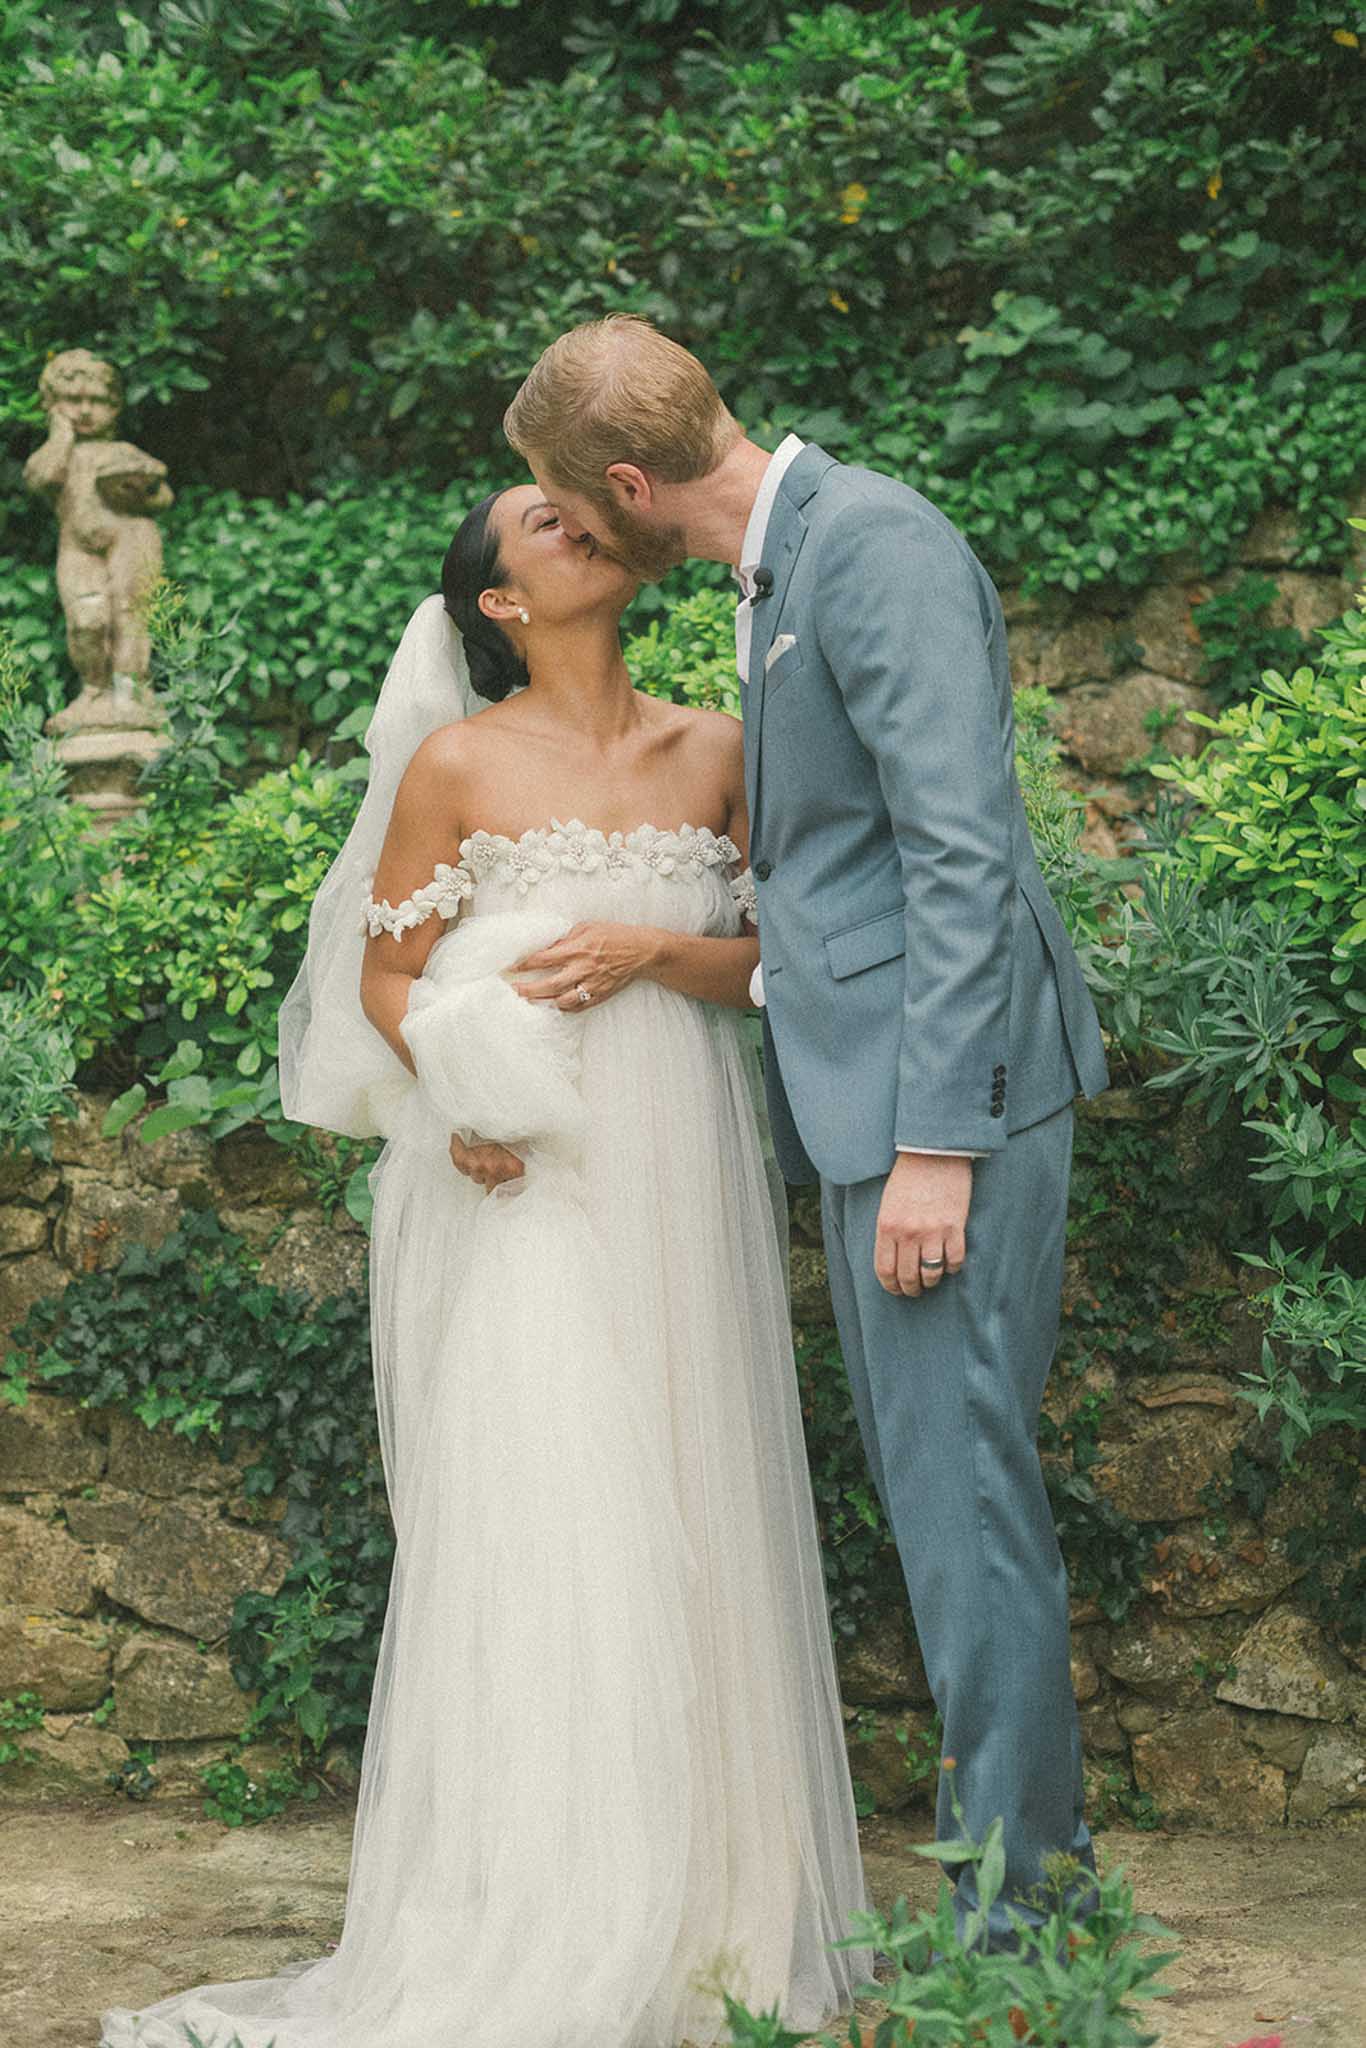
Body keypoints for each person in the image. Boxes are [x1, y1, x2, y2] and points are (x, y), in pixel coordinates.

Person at [98, 482, 873, 2048]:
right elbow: (382, 978)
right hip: (523, 1191)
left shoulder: (722, 748)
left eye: (580, 505)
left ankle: (709, 1915)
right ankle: (542, 1915)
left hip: (684, 1180)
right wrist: (457, 1088)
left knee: (697, 1500)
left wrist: (660, 950)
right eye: (536, 519)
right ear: (500, 605)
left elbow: (787, 960)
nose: (573, 519)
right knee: (552, 1529)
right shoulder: (453, 766)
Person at [503, 314, 1113, 1958]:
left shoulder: (874, 549)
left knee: (963, 1500)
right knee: (945, 1500)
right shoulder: (784, 567)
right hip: (876, 1107)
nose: (580, 532)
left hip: (941, 1113)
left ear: (629, 484)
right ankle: (1020, 1878)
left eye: (574, 504)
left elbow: (962, 859)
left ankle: (1020, 1925)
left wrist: (935, 1146)